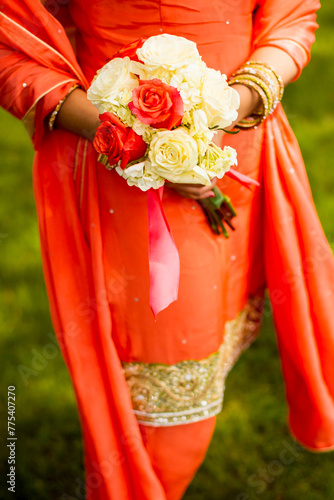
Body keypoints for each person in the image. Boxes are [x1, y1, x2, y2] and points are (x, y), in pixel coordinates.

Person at [1, 0, 334, 499]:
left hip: (242, 147)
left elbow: (293, 15)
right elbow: (12, 44)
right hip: (128, 180)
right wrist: (137, 143)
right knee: (172, 392)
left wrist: (234, 106)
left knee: (221, 326)